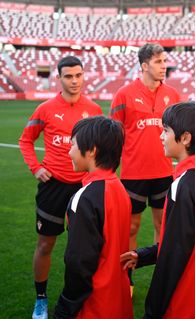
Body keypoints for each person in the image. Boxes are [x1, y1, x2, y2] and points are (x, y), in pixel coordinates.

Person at [120, 102, 195, 318]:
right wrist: (145, 255)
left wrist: (153, 310)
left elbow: (175, 255)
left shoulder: (183, 185)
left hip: (184, 300)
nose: (161, 136)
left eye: (166, 130)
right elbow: (186, 241)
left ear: (185, 138)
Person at [18, 56, 102, 319]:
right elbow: (25, 140)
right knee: (45, 245)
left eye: (78, 75)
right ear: (60, 78)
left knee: (87, 247)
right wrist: (36, 167)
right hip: (53, 187)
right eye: (69, 76)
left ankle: (85, 295)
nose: (74, 81)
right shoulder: (45, 109)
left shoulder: (94, 110)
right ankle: (41, 298)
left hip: (84, 187)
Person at [109, 43, 180, 292]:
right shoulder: (124, 95)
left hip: (164, 172)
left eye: (164, 61)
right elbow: (113, 134)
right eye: (159, 62)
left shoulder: (173, 94)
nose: (164, 66)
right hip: (133, 174)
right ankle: (127, 278)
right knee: (131, 227)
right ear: (144, 65)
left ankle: (160, 277)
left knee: (163, 226)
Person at [54, 116, 133, 319]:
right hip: (119, 297)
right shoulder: (118, 187)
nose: (69, 150)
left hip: (94, 304)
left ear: (91, 151)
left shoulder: (85, 198)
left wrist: (65, 306)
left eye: (73, 145)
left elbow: (79, 262)